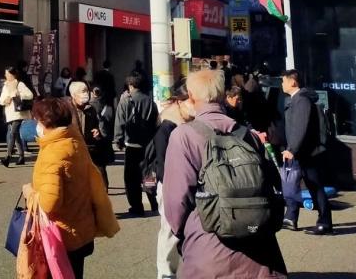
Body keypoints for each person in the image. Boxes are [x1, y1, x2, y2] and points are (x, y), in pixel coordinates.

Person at [163, 69, 287, 279]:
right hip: (260, 250)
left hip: (208, 248)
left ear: (191, 96)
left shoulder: (183, 136)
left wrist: (186, 235)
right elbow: (273, 183)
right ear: (222, 96)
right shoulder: (249, 135)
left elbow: (176, 201)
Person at [23, 98, 119, 278]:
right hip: (81, 229)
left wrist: (29, 193)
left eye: (37, 120)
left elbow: (49, 203)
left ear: (47, 122)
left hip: (60, 236)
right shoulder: (74, 140)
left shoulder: (53, 153)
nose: (36, 124)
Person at [146, 82, 194, 279]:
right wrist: (171, 187)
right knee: (170, 229)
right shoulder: (168, 124)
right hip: (170, 184)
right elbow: (163, 161)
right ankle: (166, 273)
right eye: (190, 100)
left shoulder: (192, 121)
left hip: (189, 182)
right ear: (179, 102)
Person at [281, 69, 331, 234]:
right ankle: (291, 218)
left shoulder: (302, 101)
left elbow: (300, 128)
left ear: (293, 82)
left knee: (314, 186)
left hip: (306, 153)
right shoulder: (295, 99)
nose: (282, 84)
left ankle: (324, 222)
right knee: (292, 184)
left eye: (284, 81)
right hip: (300, 152)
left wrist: (292, 149)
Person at [113, 70, 158, 215]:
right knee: (148, 173)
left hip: (131, 144)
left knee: (131, 178)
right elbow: (156, 122)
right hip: (148, 145)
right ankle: (154, 202)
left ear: (130, 84)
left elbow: (119, 122)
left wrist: (118, 140)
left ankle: (136, 206)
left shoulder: (125, 100)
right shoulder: (150, 101)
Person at [0, 66, 34, 167]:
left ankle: (8, 157)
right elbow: (1, 100)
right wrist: (4, 101)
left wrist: (19, 95)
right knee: (16, 136)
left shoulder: (20, 84)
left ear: (13, 74)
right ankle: (21, 157)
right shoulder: (5, 85)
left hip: (18, 113)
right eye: (5, 74)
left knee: (12, 133)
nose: (6, 76)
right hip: (9, 113)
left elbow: (30, 95)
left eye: (8, 74)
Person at [84, 84, 115, 187]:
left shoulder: (89, 106)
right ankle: (104, 185)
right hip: (106, 137)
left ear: (92, 93)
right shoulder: (107, 105)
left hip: (94, 137)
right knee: (101, 164)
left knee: (93, 164)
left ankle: (96, 186)